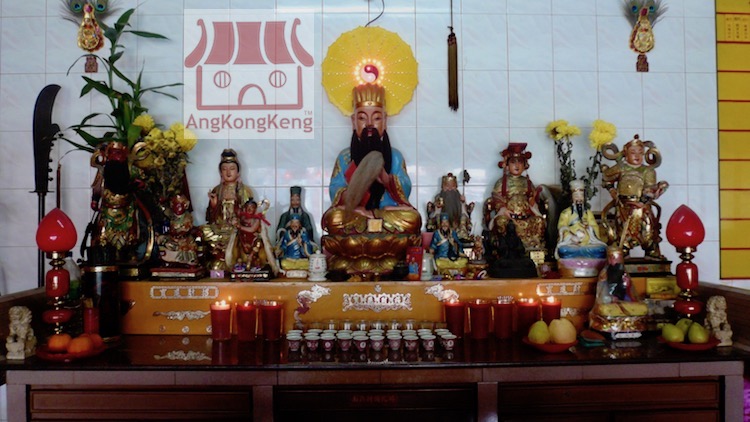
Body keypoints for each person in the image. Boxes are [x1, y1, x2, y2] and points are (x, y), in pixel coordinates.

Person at [322, 83, 421, 235]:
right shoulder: (345, 157)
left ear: (385, 121)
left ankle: (372, 218)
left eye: (376, 118)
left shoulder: (395, 156)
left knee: (413, 219)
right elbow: (335, 189)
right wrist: (355, 190)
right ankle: (367, 218)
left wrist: (387, 179)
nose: (369, 124)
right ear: (353, 121)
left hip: (387, 213)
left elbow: (405, 189)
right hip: (356, 214)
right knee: (334, 218)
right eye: (362, 118)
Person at [601, 135, 669, 259]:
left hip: (642, 207)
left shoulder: (647, 171)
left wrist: (643, 201)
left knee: (647, 230)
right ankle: (624, 250)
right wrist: (612, 190)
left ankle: (651, 250)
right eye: (633, 152)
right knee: (622, 230)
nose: (637, 156)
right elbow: (606, 178)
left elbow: (650, 188)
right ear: (626, 154)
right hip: (623, 205)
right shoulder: (621, 168)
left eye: (640, 153)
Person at [483, 142, 546, 253]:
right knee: (501, 221)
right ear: (507, 165)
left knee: (539, 221)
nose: (517, 166)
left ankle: (533, 246)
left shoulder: (527, 181)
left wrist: (533, 203)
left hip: (525, 216)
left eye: (520, 162)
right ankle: (504, 247)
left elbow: (532, 199)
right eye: (513, 162)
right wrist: (503, 210)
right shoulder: (501, 182)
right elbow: (497, 199)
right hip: (509, 216)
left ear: (525, 165)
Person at [201, 149, 254, 272]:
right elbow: (210, 218)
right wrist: (214, 205)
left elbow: (250, 214)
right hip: (220, 229)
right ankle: (222, 258)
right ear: (220, 172)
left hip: (236, 230)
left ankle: (230, 259)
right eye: (224, 169)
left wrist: (239, 218)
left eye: (232, 169)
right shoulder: (217, 190)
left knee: (242, 237)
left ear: (238, 171)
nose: (228, 172)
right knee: (203, 230)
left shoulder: (245, 190)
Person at [555, 180, 607, 260]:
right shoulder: (565, 213)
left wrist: (588, 227)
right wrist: (571, 237)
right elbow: (561, 228)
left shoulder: (588, 213)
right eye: (576, 196)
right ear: (571, 198)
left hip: (588, 243)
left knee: (601, 249)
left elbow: (595, 226)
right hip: (571, 243)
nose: (579, 199)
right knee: (564, 250)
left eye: (581, 196)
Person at [426, 173, 474, 241]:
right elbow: (433, 212)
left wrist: (463, 202)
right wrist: (438, 207)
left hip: (457, 220)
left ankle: (462, 234)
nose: (450, 189)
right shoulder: (439, 197)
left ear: (456, 187)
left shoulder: (459, 197)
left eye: (452, 186)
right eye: (447, 186)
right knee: (438, 217)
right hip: (443, 220)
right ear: (443, 187)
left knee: (463, 217)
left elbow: (465, 211)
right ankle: (441, 234)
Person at [157, 194, 199, 267]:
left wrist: (179, 230)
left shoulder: (187, 216)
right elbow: (164, 210)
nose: (177, 208)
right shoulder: (171, 214)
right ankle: (167, 260)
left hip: (184, 239)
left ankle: (187, 260)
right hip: (172, 238)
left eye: (179, 206)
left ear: (185, 206)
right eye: (175, 206)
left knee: (189, 247)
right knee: (162, 241)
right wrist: (161, 203)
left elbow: (186, 228)